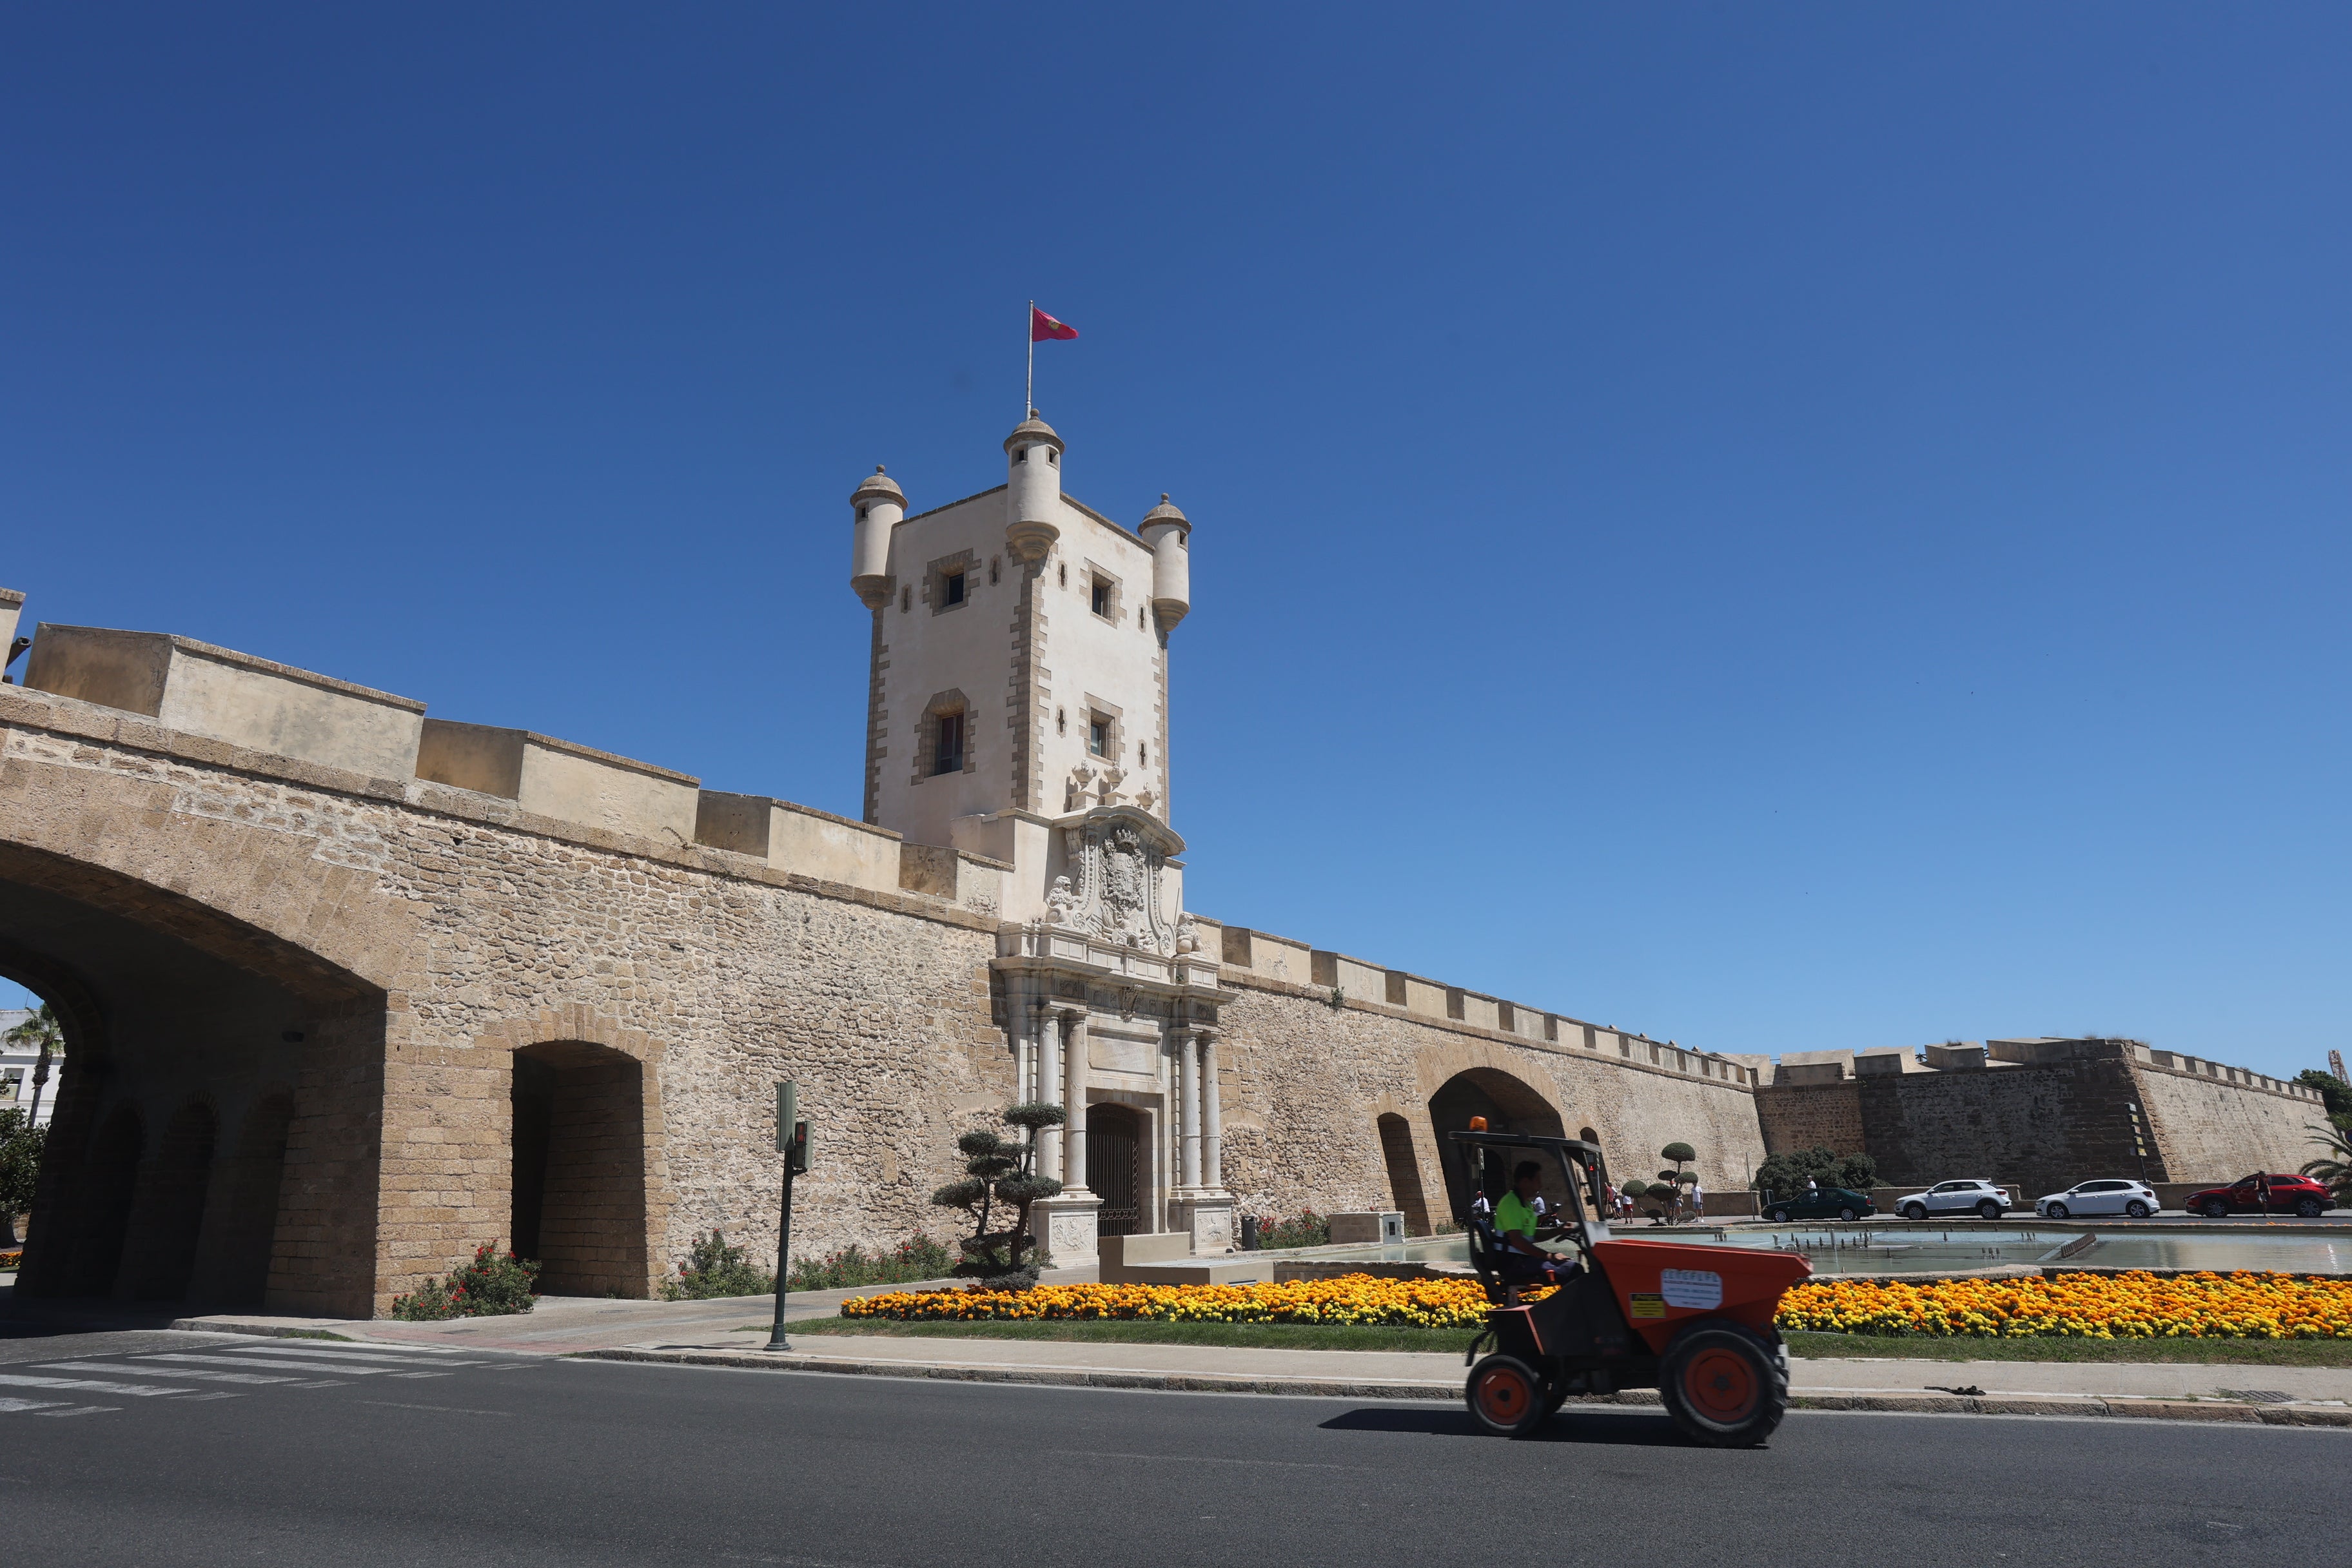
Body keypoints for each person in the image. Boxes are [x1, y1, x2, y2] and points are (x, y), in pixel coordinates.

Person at [1493, 1161, 1576, 1286]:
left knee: (1571, 1266)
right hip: (1513, 1263)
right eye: (1538, 1181)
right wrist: (1549, 1256)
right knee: (1572, 1270)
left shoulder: (1525, 1204)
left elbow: (1535, 1236)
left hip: (1522, 1260)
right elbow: (1517, 1241)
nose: (1541, 1185)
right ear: (1525, 1182)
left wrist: (1560, 1230)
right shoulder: (1511, 1204)